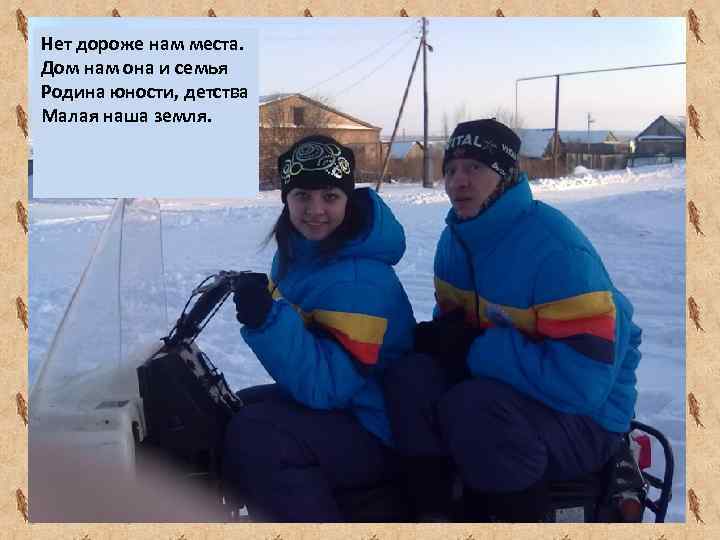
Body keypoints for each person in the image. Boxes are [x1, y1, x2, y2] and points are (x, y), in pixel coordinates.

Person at [383, 119, 642, 522]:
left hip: (590, 416)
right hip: (511, 393)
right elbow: (455, 336)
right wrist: (442, 343)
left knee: (473, 409)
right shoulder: (455, 242)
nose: (458, 181)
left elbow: (583, 383)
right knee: (411, 378)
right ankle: (435, 514)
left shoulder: (555, 250)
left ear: (505, 175)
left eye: (475, 168)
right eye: (451, 169)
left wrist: (475, 350)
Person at [221, 135, 416, 522]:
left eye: (330, 196)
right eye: (302, 196)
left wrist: (268, 320)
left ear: (347, 200)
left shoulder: (358, 278)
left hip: (380, 427)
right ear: (286, 200)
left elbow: (328, 385)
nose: (315, 210)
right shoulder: (300, 255)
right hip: (354, 406)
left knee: (259, 436)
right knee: (235, 407)